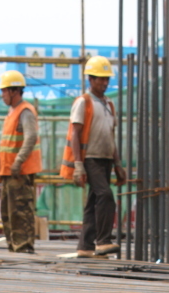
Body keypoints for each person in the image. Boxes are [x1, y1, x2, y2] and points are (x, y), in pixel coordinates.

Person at [60, 55, 127, 258]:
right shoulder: (84, 102)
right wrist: (78, 164)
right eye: (100, 78)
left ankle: (86, 246)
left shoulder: (109, 104)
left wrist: (117, 164)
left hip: (105, 158)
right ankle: (103, 241)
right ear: (90, 79)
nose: (104, 83)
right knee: (105, 196)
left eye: (106, 79)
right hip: (90, 158)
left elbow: (111, 136)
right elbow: (75, 133)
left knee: (94, 201)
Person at [0, 70, 41, 254]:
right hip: (9, 172)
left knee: (20, 211)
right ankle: (14, 247)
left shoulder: (25, 111)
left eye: (4, 90)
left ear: (14, 91)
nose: (2, 94)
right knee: (8, 213)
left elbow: (31, 137)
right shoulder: (12, 112)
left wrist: (18, 161)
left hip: (19, 172)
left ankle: (23, 248)